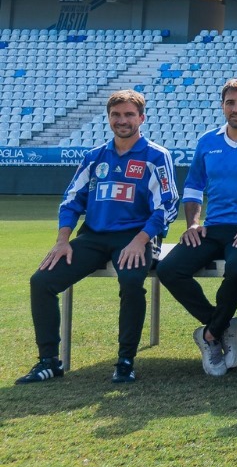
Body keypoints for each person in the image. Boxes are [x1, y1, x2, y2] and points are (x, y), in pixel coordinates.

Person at [19, 90, 177, 385]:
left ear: (141, 118)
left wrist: (141, 240)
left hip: (136, 236)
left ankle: (125, 360)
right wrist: (63, 240)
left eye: (129, 114)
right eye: (116, 115)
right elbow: (71, 200)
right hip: (94, 236)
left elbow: (167, 205)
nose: (122, 120)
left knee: (131, 282)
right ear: (108, 118)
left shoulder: (156, 156)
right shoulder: (95, 157)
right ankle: (49, 361)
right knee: (41, 281)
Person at [157, 79, 237, 377]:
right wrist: (193, 223)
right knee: (169, 270)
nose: (236, 108)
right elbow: (193, 187)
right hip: (213, 227)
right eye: (230, 102)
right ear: (222, 106)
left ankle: (209, 335)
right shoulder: (208, 141)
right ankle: (222, 326)